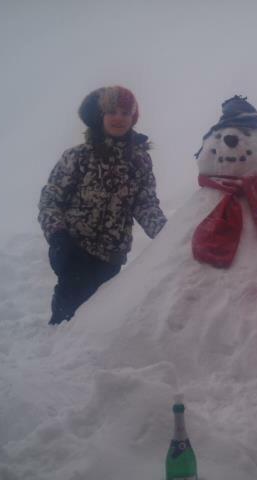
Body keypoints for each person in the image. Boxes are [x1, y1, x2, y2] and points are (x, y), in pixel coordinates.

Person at [38, 86, 167, 325]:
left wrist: (170, 236)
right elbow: (50, 200)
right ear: (101, 116)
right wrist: (58, 238)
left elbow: (145, 203)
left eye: (125, 112)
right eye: (112, 111)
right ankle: (55, 352)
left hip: (112, 257)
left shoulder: (139, 161)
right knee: (68, 319)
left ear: (133, 118)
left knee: (98, 324)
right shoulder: (78, 156)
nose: (119, 117)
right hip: (73, 250)